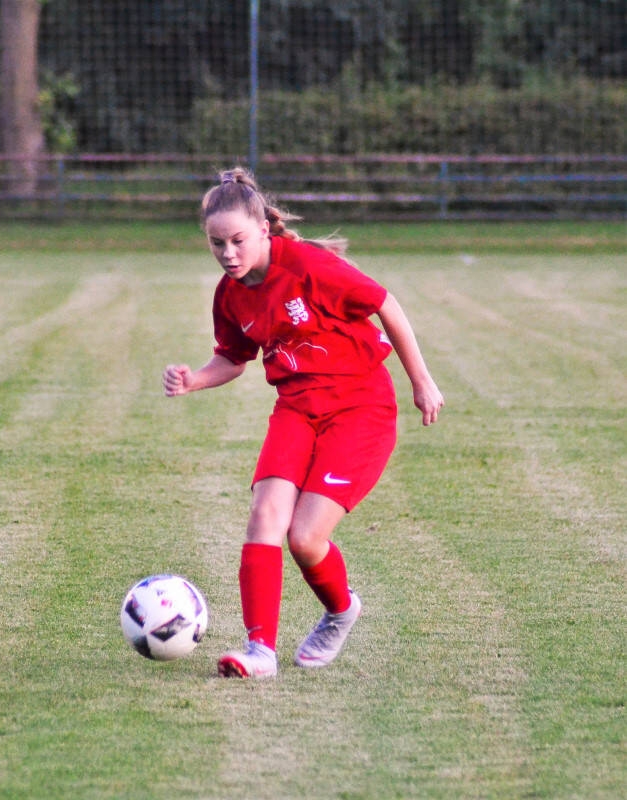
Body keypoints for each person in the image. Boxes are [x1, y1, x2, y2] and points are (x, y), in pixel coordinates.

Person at [163, 167, 444, 679]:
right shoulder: (229, 295)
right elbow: (233, 357)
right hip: (295, 408)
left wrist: (421, 381)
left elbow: (385, 304)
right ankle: (259, 651)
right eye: (217, 243)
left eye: (238, 241)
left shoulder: (308, 267)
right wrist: (194, 380)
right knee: (265, 515)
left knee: (305, 539)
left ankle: (341, 610)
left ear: (263, 230)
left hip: (359, 408)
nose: (228, 253)